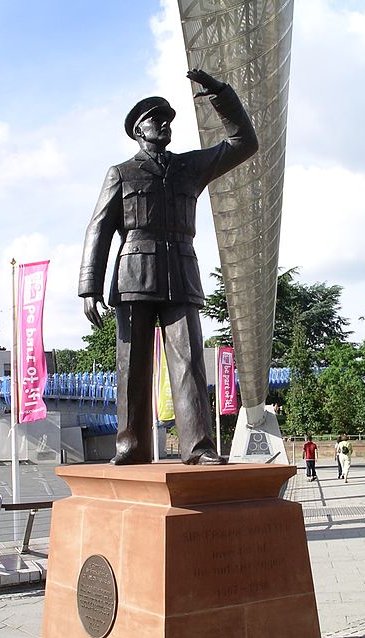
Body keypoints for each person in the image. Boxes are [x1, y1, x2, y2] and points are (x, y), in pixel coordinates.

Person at [78, 69, 258, 465]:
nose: (164, 124)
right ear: (138, 130)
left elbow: (244, 143)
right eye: (155, 119)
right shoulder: (121, 173)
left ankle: (199, 447)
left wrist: (222, 95)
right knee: (132, 364)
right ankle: (131, 445)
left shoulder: (189, 167)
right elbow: (100, 228)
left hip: (180, 270)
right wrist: (89, 285)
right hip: (133, 275)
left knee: (190, 360)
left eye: (168, 119)